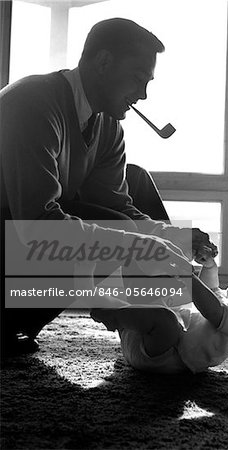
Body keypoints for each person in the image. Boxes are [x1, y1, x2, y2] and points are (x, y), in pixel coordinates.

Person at [0, 18, 217, 355]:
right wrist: (141, 247)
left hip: (22, 254)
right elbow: (37, 226)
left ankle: (152, 317)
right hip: (15, 243)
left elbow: (117, 206)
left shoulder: (109, 126)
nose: (143, 95)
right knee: (124, 234)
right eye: (136, 79)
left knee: (137, 181)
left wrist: (173, 238)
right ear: (102, 63)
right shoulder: (32, 103)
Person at [84, 249, 228, 374]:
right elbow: (214, 293)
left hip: (168, 357)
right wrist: (210, 268)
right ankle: (125, 313)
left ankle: (115, 316)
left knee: (166, 320)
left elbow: (212, 308)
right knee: (164, 302)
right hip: (152, 344)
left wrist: (189, 277)